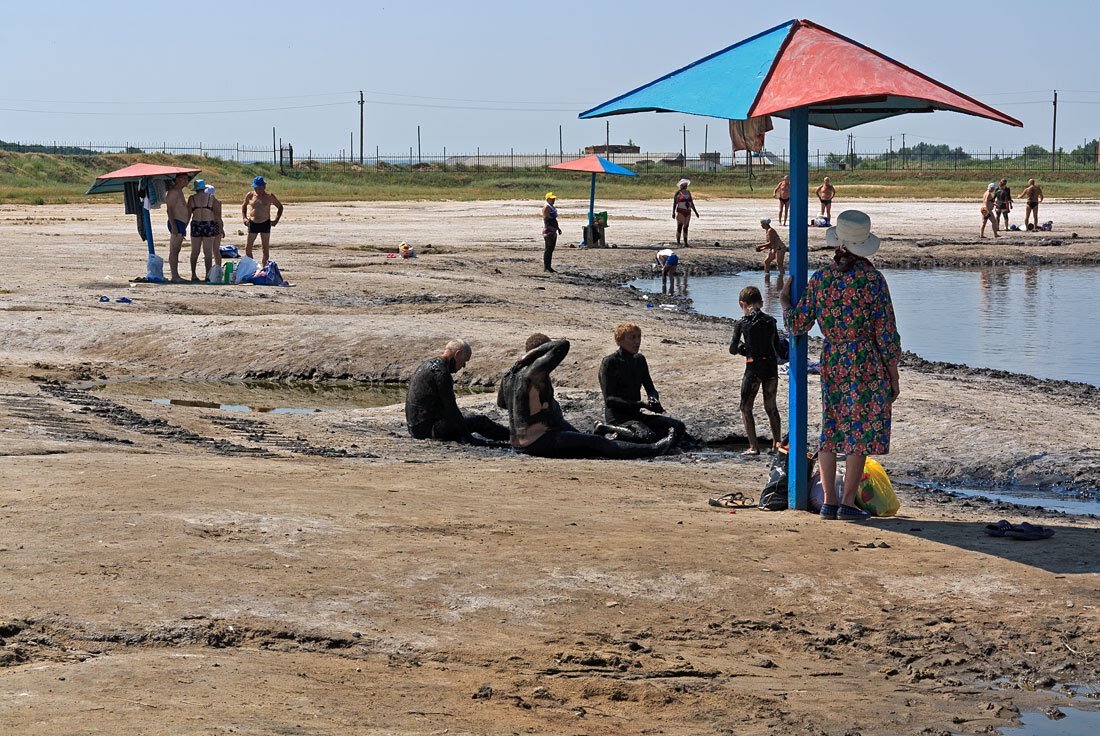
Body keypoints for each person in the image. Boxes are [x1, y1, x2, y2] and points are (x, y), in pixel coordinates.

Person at [780, 210, 901, 522]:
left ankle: (829, 502)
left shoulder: (822, 279)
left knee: (831, 427)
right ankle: (848, 502)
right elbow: (886, 333)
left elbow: (798, 324)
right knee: (858, 432)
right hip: (866, 361)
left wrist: (783, 301)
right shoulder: (873, 280)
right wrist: (893, 373)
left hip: (833, 358)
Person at [503, 334, 674, 459]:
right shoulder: (533, 372)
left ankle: (607, 435)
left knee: (586, 440)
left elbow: (502, 403)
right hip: (538, 443)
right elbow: (562, 344)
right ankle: (654, 449)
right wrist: (531, 355)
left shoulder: (509, 376)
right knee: (598, 444)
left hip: (517, 443)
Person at [597, 323, 687, 445]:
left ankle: (624, 435)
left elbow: (650, 388)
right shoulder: (610, 362)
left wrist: (653, 399)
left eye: (639, 337)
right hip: (618, 418)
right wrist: (641, 404)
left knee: (678, 427)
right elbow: (610, 400)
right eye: (632, 337)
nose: (637, 341)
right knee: (647, 436)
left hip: (637, 415)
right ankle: (607, 429)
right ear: (619, 340)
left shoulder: (639, 360)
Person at [405, 339, 509, 444]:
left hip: (416, 428)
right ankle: (512, 436)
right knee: (480, 421)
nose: (463, 366)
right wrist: (468, 437)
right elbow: (451, 408)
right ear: (457, 354)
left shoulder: (427, 364)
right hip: (430, 430)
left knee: (465, 419)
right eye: (464, 361)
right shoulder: (441, 372)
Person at [729, 286, 784, 456]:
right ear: (761, 302)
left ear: (742, 304)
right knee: (771, 407)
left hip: (753, 368)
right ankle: (776, 444)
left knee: (745, 407)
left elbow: (732, 349)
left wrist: (742, 349)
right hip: (770, 368)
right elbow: (777, 347)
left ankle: (753, 446)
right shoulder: (770, 321)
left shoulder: (741, 322)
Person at [242, 175, 283, 266]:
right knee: (248, 248)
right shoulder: (250, 195)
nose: (258, 190)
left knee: (265, 249)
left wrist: (276, 220)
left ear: (264, 187)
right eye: (256, 188)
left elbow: (280, 207)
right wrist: (244, 218)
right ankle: (252, 267)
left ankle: (264, 268)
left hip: (265, 223)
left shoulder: (269, 196)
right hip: (253, 223)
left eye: (260, 188)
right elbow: (244, 205)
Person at [187, 179, 219, 282]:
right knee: (208, 252)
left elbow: (188, 214)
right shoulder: (211, 197)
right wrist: (220, 228)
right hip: (208, 224)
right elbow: (216, 214)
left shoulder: (192, 199)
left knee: (195, 251)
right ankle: (208, 275)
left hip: (196, 224)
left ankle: (193, 274)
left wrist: (183, 227)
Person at [165, 173, 191, 283]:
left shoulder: (179, 192)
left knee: (177, 250)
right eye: (183, 179)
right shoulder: (173, 192)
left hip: (181, 223)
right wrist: (174, 226)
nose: (186, 181)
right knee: (174, 250)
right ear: (177, 180)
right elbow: (169, 209)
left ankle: (176, 275)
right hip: (175, 222)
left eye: (187, 179)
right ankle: (174, 276)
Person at [673, 179, 700, 247]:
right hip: (680, 211)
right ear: (681, 185)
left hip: (688, 211)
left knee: (686, 227)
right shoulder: (678, 193)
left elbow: (691, 203)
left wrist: (696, 212)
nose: (685, 186)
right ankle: (678, 242)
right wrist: (673, 212)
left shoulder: (688, 192)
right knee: (680, 226)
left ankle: (685, 243)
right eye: (684, 184)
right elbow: (675, 203)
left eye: (686, 184)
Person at [206, 184, 225, 275]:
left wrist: (221, 228)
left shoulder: (210, 201)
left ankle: (214, 270)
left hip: (212, 225)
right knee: (215, 249)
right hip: (217, 225)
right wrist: (221, 228)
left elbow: (217, 216)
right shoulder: (217, 201)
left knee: (211, 250)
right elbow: (219, 217)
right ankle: (218, 268)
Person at [541, 192, 562, 273]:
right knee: (548, 249)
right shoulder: (546, 207)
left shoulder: (551, 207)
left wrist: (558, 228)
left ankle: (549, 266)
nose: (553, 200)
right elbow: (546, 219)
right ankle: (546, 267)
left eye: (554, 199)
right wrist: (550, 229)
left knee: (551, 249)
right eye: (552, 199)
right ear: (547, 199)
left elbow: (554, 220)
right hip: (549, 231)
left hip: (553, 230)